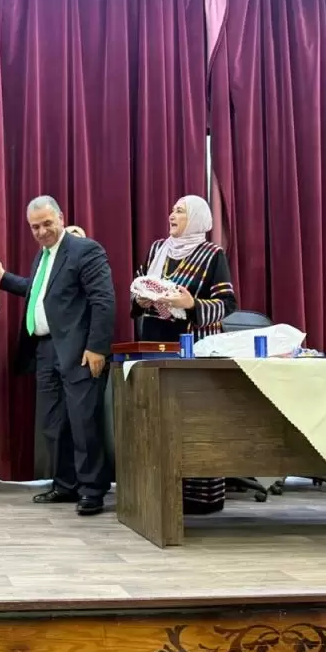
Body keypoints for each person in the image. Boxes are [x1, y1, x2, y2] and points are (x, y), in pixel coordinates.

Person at [0, 196, 115, 516]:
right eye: (35, 227)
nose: (42, 231)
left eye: (47, 223)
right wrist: (4, 278)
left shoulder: (85, 250)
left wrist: (97, 347)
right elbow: (39, 291)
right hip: (45, 350)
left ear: (60, 218)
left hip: (80, 351)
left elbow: (103, 300)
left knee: (83, 422)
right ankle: (65, 484)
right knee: (54, 423)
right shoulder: (43, 256)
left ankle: (92, 490)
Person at [131, 194, 238, 515]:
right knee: (157, 418)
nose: (172, 215)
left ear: (197, 219)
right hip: (154, 343)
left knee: (194, 420)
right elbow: (138, 290)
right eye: (172, 209)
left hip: (194, 347)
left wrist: (190, 304)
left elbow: (228, 305)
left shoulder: (212, 255)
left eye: (180, 211)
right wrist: (141, 300)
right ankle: (158, 492)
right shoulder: (157, 250)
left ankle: (200, 498)